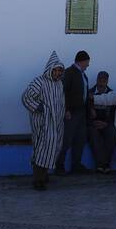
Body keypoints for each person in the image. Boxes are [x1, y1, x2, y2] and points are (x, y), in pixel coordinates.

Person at [21, 52, 67, 190]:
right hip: (43, 124)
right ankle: (37, 180)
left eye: (60, 70)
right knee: (42, 150)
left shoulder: (59, 84)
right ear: (50, 69)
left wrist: (63, 114)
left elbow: (61, 102)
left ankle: (44, 175)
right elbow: (26, 97)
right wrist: (38, 107)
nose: (58, 73)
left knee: (53, 149)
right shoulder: (39, 82)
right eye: (56, 70)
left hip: (57, 124)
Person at [55, 50, 91, 175]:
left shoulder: (82, 74)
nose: (88, 65)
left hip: (81, 112)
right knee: (66, 140)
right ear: (82, 61)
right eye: (87, 62)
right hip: (72, 112)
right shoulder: (69, 73)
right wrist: (66, 110)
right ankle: (59, 165)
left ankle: (76, 165)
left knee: (80, 139)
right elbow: (62, 92)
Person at [88, 71, 116, 173]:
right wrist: (92, 121)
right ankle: (101, 164)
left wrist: (106, 123)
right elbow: (85, 110)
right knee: (94, 136)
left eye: (104, 80)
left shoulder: (112, 94)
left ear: (107, 81)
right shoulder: (89, 94)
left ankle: (105, 164)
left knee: (112, 135)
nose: (101, 82)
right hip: (93, 123)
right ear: (96, 79)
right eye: (99, 79)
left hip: (107, 123)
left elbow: (115, 113)